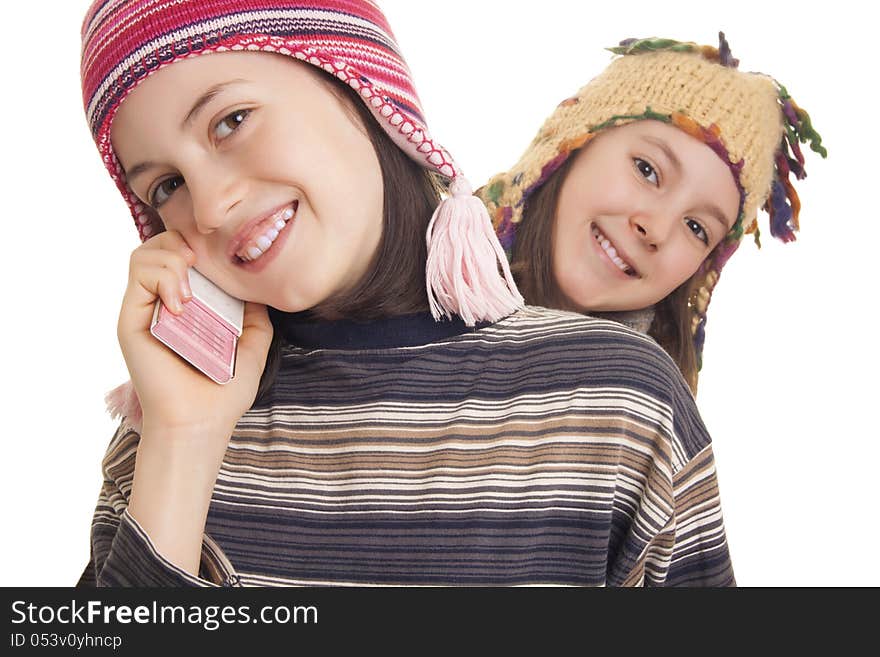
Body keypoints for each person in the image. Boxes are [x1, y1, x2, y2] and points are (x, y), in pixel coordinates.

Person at [77, 1, 734, 587]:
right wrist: (186, 441)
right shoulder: (163, 434)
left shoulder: (619, 403)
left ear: (361, 86)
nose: (212, 208)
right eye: (166, 186)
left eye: (231, 121)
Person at [480, 35, 826, 392]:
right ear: (574, 140)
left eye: (696, 227)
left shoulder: (648, 412)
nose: (657, 229)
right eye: (647, 170)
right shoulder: (424, 264)